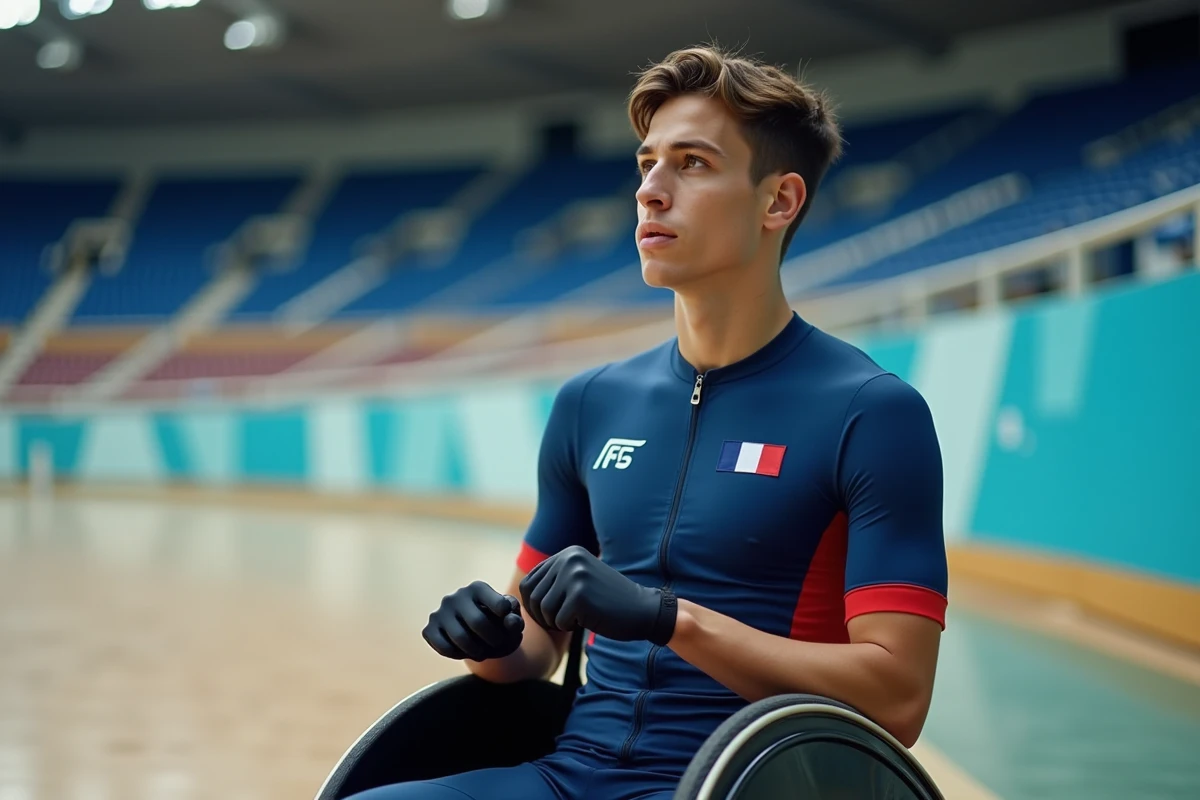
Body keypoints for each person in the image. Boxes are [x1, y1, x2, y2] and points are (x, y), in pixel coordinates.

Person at [352, 43, 947, 800]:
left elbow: (898, 696)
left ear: (779, 201)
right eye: (646, 165)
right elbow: (534, 649)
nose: (651, 192)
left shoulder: (872, 411)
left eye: (692, 164)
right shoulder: (590, 403)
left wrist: (669, 620)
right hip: (569, 775)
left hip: (740, 783)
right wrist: (490, 637)